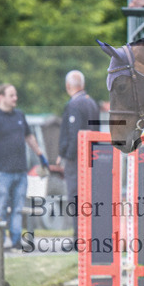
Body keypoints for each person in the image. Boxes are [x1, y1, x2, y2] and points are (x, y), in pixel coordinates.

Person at [0, 83, 48, 249]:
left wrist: (41, 155)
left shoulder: (19, 115)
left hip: (20, 171)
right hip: (2, 173)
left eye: (15, 95)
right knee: (1, 208)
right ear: (1, 97)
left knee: (18, 209)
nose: (15, 98)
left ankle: (15, 241)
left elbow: (29, 137)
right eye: (11, 95)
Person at [55, 70, 100, 235]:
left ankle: (78, 238)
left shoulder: (74, 104)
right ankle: (89, 235)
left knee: (76, 197)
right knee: (89, 198)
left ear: (68, 86)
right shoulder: (92, 103)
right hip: (92, 157)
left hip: (77, 160)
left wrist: (66, 156)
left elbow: (74, 134)